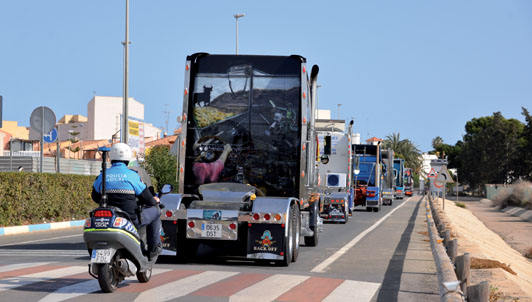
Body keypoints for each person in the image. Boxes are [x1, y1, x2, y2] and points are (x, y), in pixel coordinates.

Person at [91, 143, 162, 260]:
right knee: (156, 211)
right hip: (130, 220)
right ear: (128, 158)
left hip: (109, 219)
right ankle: (153, 249)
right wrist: (154, 201)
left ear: (110, 157)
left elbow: (95, 196)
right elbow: (148, 200)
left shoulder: (102, 175)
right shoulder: (132, 176)